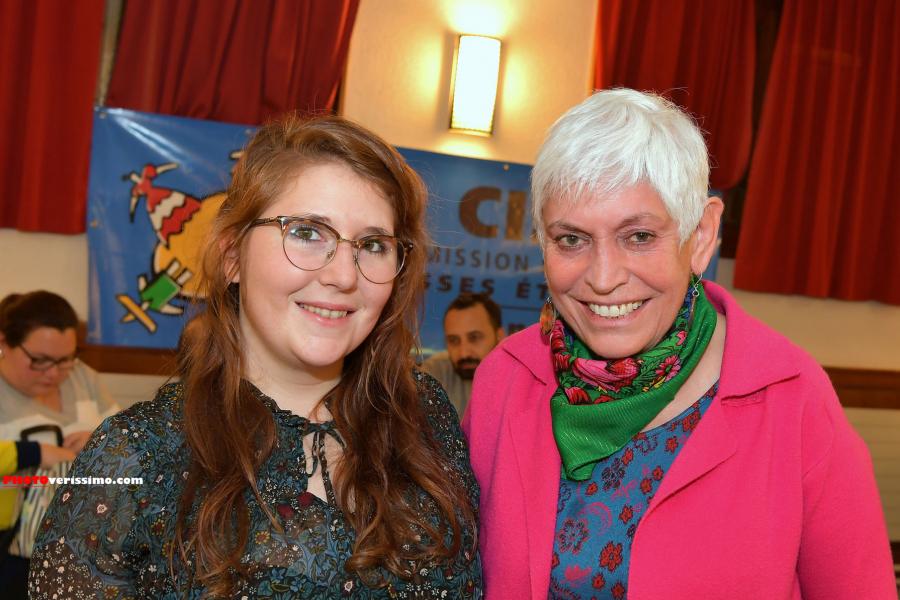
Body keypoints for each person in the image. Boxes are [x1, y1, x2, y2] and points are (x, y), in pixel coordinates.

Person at [463, 89, 896, 599]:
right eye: (572, 239)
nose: (603, 278)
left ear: (702, 235)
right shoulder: (506, 380)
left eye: (639, 237)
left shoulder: (793, 399)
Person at [30, 115, 482, 598]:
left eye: (372, 244)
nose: (344, 275)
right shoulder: (135, 454)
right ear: (232, 257)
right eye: (307, 232)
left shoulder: (423, 416)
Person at [0, 291, 118, 599]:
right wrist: (38, 458)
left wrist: (98, 440)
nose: (54, 373)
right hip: (13, 557)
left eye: (65, 359)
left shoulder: (83, 377)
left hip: (88, 549)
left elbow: (126, 444)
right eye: (39, 360)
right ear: (4, 343)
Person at [422, 293, 505, 416]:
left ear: (499, 336)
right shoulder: (436, 371)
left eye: (474, 338)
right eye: (454, 340)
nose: (464, 353)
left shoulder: (522, 380)